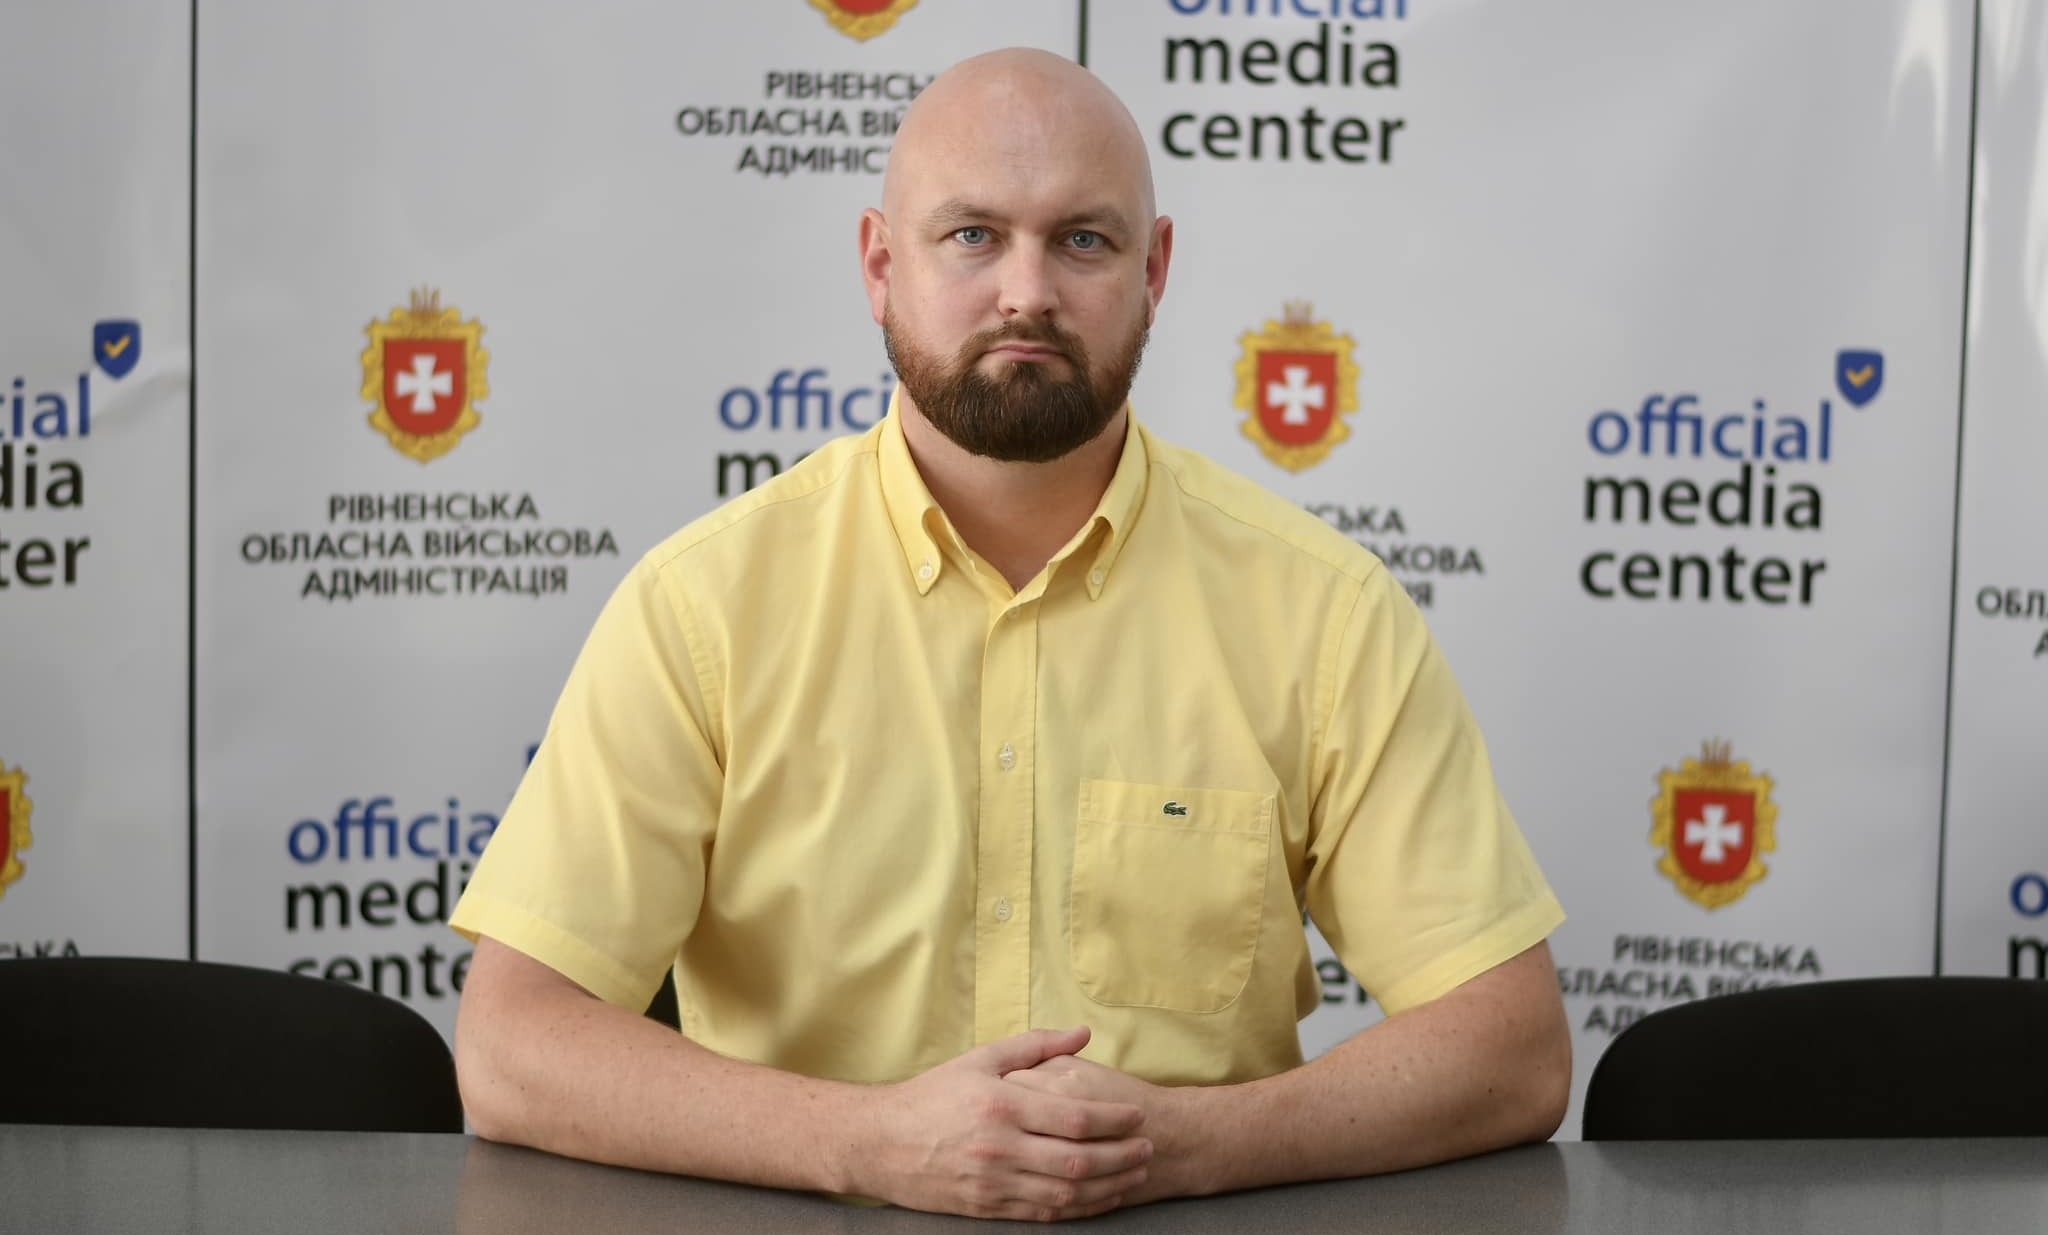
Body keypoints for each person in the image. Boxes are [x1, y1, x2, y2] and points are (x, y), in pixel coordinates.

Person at [450, 47, 1569, 1222]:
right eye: (972, 236)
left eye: (1081, 240)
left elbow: (1509, 1044)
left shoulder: (1321, 612)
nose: (1025, 292)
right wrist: (868, 1143)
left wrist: (1181, 1145)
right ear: (880, 264)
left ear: (1154, 270)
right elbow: (512, 1044)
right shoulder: (703, 605)